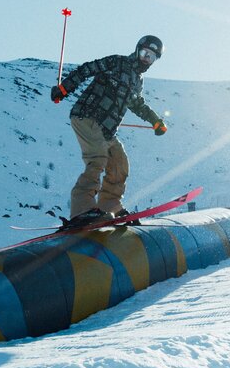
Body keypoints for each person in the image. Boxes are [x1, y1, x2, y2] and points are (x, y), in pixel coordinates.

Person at [49, 35, 168, 227]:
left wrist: (155, 121)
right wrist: (64, 89)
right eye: (145, 53)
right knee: (97, 158)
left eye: (151, 57)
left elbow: (137, 104)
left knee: (120, 163)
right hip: (87, 116)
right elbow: (87, 69)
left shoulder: (137, 80)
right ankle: (82, 210)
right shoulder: (117, 62)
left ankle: (109, 206)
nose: (146, 59)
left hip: (106, 129)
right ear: (138, 50)